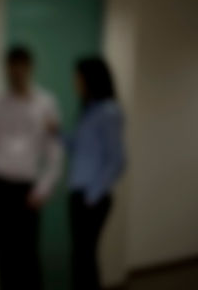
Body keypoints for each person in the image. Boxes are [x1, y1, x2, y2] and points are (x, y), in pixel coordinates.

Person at [0, 46, 63, 290]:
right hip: (0, 188)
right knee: (2, 257)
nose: (16, 72)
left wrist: (43, 189)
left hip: (27, 192)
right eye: (11, 67)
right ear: (7, 69)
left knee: (27, 258)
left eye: (21, 67)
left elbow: (55, 152)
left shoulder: (46, 103)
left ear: (29, 68)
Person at [68, 57, 125, 290]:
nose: (75, 83)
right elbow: (81, 147)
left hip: (92, 197)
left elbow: (117, 160)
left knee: (85, 259)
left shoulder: (109, 112)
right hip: (79, 195)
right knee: (81, 259)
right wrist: (56, 134)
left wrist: (93, 195)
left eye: (78, 78)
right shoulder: (88, 110)